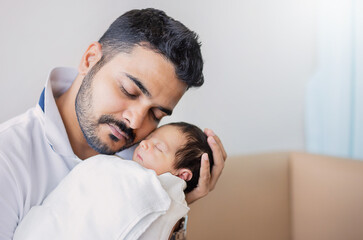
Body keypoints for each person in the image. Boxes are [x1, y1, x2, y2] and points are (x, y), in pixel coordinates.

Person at [0, 8, 227, 239]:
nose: (136, 121)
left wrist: (175, 203)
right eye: (129, 91)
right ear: (90, 60)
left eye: (156, 114)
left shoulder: (150, 163)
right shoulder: (7, 159)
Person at [13, 122, 214, 240]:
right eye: (150, 138)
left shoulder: (167, 207)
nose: (144, 143)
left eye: (158, 148)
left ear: (182, 175)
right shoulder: (114, 169)